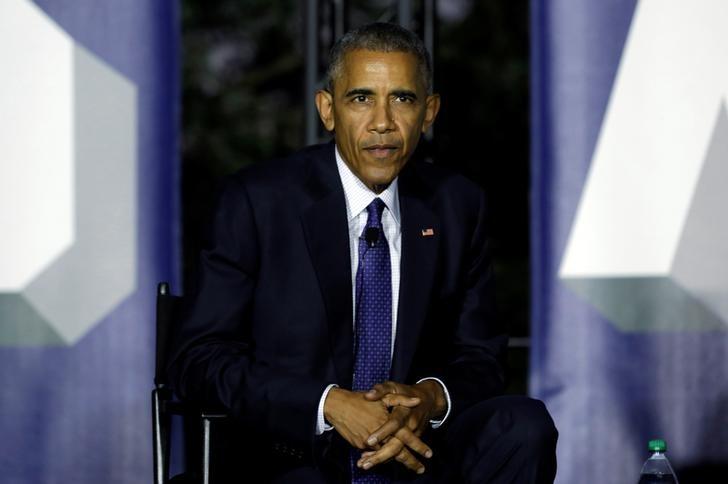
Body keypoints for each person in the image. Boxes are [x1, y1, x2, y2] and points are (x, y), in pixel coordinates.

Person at [168, 22, 557, 483]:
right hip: (294, 454)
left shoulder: (457, 205)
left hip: (414, 454)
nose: (382, 122)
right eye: (361, 98)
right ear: (327, 110)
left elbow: (481, 357)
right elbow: (198, 358)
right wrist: (329, 404)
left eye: (403, 99)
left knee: (523, 425)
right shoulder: (257, 200)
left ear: (429, 112)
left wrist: (427, 401)